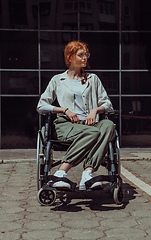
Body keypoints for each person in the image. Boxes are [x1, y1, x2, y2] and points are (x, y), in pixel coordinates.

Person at [37, 40, 115, 191]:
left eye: (86, 55)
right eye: (81, 55)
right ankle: (61, 173)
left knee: (108, 125)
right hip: (67, 125)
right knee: (93, 132)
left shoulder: (93, 79)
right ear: (70, 57)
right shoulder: (58, 80)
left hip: (90, 124)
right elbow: (41, 105)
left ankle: (87, 175)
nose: (85, 58)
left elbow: (107, 104)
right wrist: (64, 110)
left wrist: (95, 110)